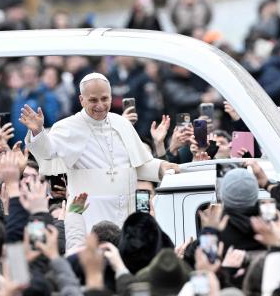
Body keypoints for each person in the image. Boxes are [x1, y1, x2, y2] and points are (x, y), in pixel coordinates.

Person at [22, 73, 179, 231]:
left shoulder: (122, 123)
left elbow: (135, 165)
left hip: (125, 213)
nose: (100, 105)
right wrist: (38, 132)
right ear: (81, 100)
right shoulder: (68, 127)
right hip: (89, 215)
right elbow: (48, 152)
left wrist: (160, 167)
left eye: (105, 99)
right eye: (93, 100)